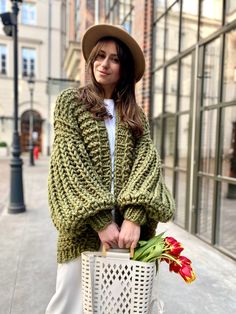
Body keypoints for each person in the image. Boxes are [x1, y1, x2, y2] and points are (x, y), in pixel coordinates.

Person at [45, 24, 175, 314]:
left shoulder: (136, 116)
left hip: (128, 236)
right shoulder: (71, 103)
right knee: (70, 304)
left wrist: (134, 217)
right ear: (91, 60)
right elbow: (69, 163)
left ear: (124, 68)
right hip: (84, 230)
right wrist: (102, 222)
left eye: (114, 59)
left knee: (122, 305)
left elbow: (148, 166)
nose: (104, 64)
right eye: (100, 56)